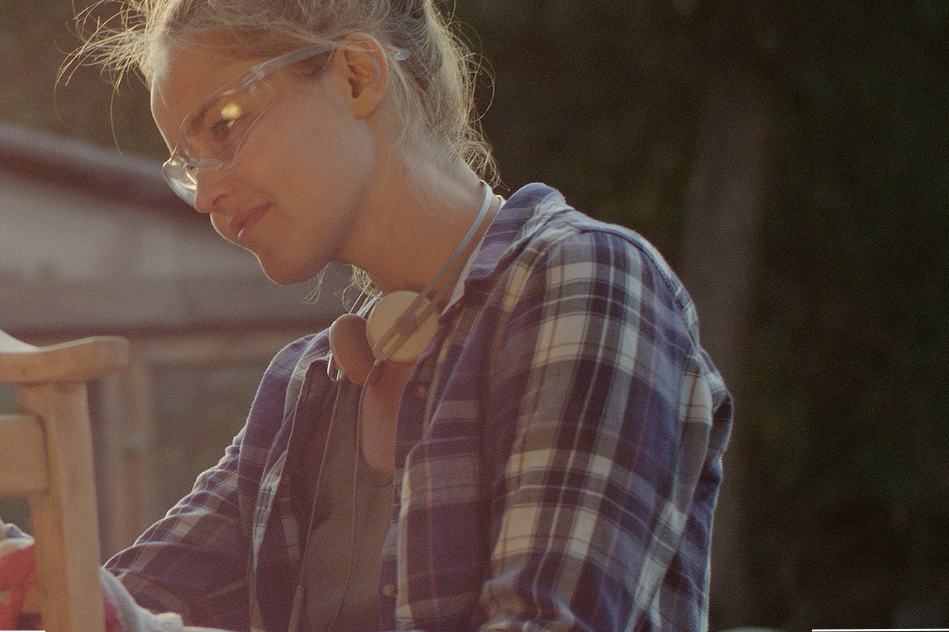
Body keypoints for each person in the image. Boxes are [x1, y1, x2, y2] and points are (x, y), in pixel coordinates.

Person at [3, 0, 732, 630]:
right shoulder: (307, 386)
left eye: (223, 127)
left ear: (356, 75)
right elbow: (103, 607)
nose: (203, 195)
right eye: (188, 163)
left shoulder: (584, 281)